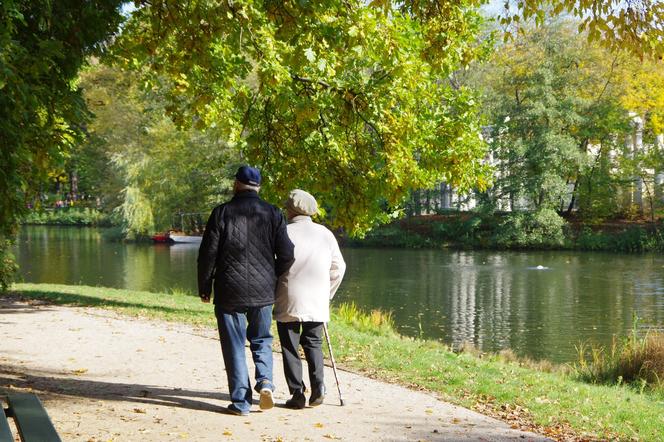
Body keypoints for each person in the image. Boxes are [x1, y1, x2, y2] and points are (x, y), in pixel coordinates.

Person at [198, 165, 294, 416]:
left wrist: (204, 286)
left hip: (229, 291)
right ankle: (265, 382)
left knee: (234, 345)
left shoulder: (221, 213)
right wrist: (274, 276)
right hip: (263, 291)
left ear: (236, 184)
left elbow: (208, 254)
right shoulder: (273, 213)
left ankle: (241, 402)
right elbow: (287, 253)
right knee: (262, 339)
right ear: (258, 187)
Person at [274, 189, 346, 409]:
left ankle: (297, 394)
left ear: (291, 209)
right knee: (313, 343)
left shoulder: (282, 232)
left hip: (288, 296)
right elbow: (339, 268)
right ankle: (318, 388)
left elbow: (272, 265)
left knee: (289, 346)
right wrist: (327, 292)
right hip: (316, 299)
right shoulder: (325, 234)